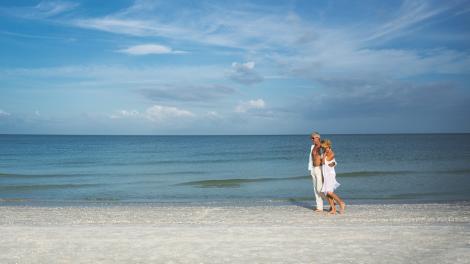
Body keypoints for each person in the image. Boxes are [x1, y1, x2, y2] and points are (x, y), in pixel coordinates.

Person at [320, 139, 345, 214]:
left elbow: (324, 162)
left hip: (330, 174)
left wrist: (324, 154)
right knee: (326, 192)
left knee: (329, 192)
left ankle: (341, 202)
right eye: (322, 147)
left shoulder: (331, 153)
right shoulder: (325, 152)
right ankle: (333, 209)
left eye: (324, 147)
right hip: (325, 174)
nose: (323, 148)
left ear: (328, 146)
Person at [308, 132, 325, 212]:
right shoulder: (312, 147)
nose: (311, 139)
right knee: (315, 189)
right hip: (313, 169)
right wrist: (310, 169)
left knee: (319, 189)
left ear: (318, 138)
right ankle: (319, 207)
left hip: (319, 168)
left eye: (313, 138)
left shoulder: (322, 146)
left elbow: (329, 155)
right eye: (311, 138)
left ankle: (332, 202)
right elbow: (311, 159)